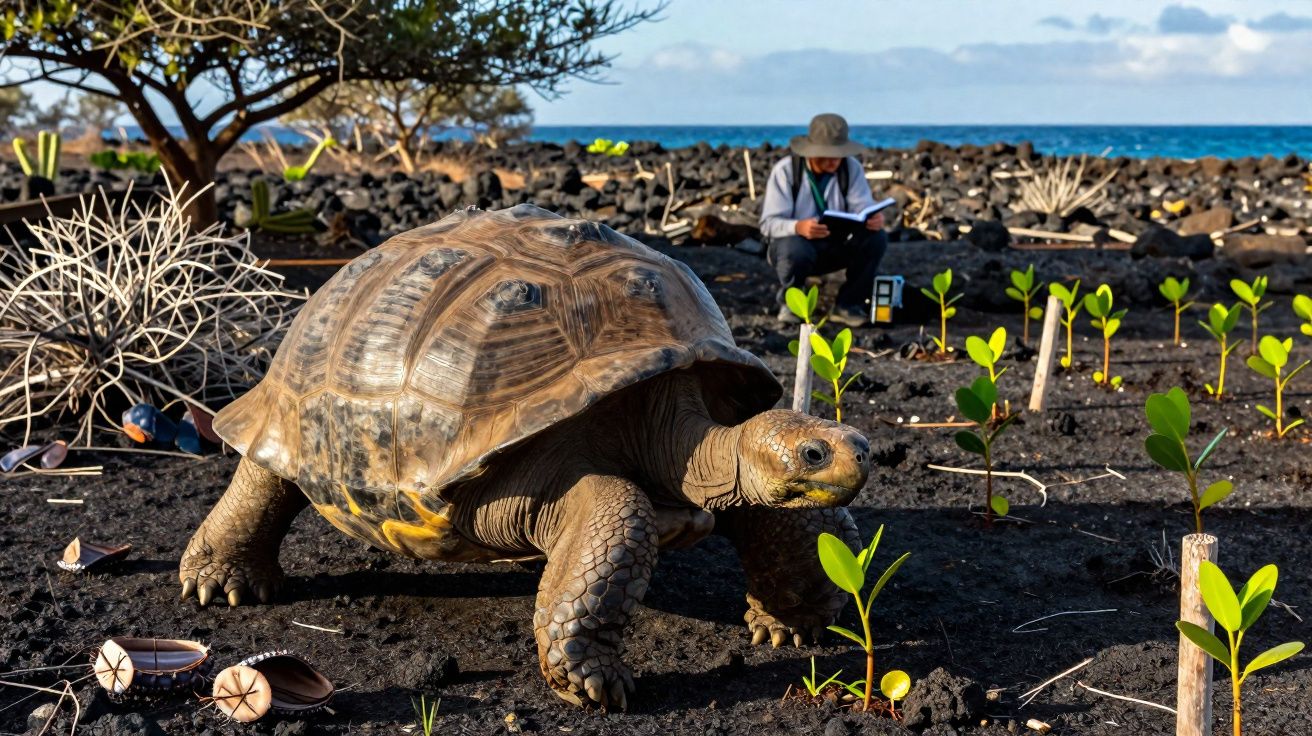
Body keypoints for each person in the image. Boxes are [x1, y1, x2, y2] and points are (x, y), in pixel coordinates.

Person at [759, 113, 888, 326]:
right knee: (794, 246)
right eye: (826, 154)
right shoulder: (786, 171)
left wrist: (872, 218)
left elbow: (862, 207)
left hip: (835, 244)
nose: (833, 160)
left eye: (838, 154)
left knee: (877, 238)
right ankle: (791, 304)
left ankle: (848, 305)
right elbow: (768, 224)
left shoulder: (851, 167)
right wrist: (798, 227)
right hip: (794, 250)